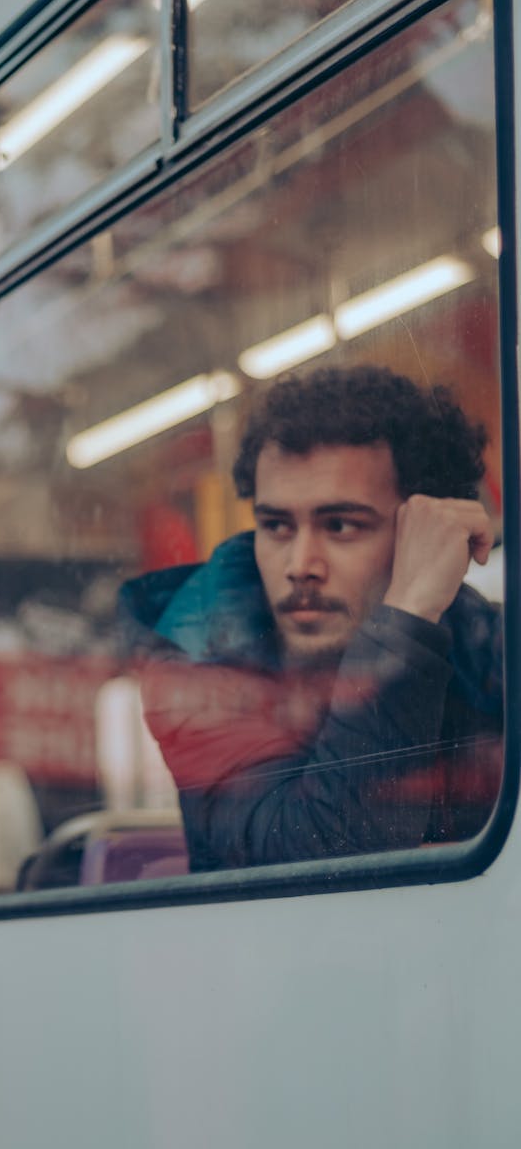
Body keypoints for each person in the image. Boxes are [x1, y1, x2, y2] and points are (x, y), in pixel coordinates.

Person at [121, 365, 503, 871]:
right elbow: (316, 859)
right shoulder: (198, 656)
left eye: (340, 525)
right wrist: (408, 612)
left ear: (422, 530)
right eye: (276, 525)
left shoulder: (480, 637)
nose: (300, 565)